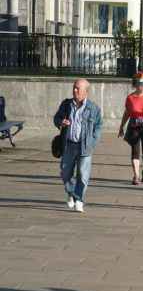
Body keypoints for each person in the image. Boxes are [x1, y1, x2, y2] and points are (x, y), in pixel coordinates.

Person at [54, 79, 103, 213]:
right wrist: (61, 122)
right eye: (74, 88)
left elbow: (99, 127)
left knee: (82, 175)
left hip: (85, 146)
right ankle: (71, 193)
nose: (74, 90)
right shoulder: (66, 104)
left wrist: (93, 141)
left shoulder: (93, 108)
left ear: (85, 92)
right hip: (68, 145)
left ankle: (79, 199)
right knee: (65, 173)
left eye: (77, 88)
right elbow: (56, 118)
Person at [117, 73, 143, 185]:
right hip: (134, 126)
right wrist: (121, 127)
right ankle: (136, 175)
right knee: (135, 151)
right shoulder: (130, 98)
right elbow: (127, 113)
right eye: (141, 83)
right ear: (135, 84)